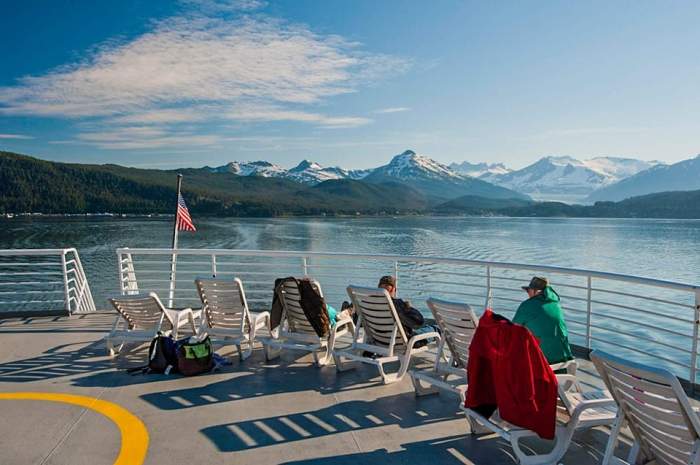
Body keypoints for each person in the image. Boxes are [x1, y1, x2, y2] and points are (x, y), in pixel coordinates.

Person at [512, 276, 573, 365]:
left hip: (543, 363)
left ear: (536, 291)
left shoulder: (527, 305)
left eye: (528, 291)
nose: (528, 294)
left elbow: (513, 328)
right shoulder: (556, 305)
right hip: (564, 360)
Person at [377, 275, 439, 340]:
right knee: (438, 328)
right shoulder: (397, 304)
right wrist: (408, 307)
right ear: (393, 289)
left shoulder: (370, 303)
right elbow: (419, 321)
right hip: (404, 341)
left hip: (379, 340)